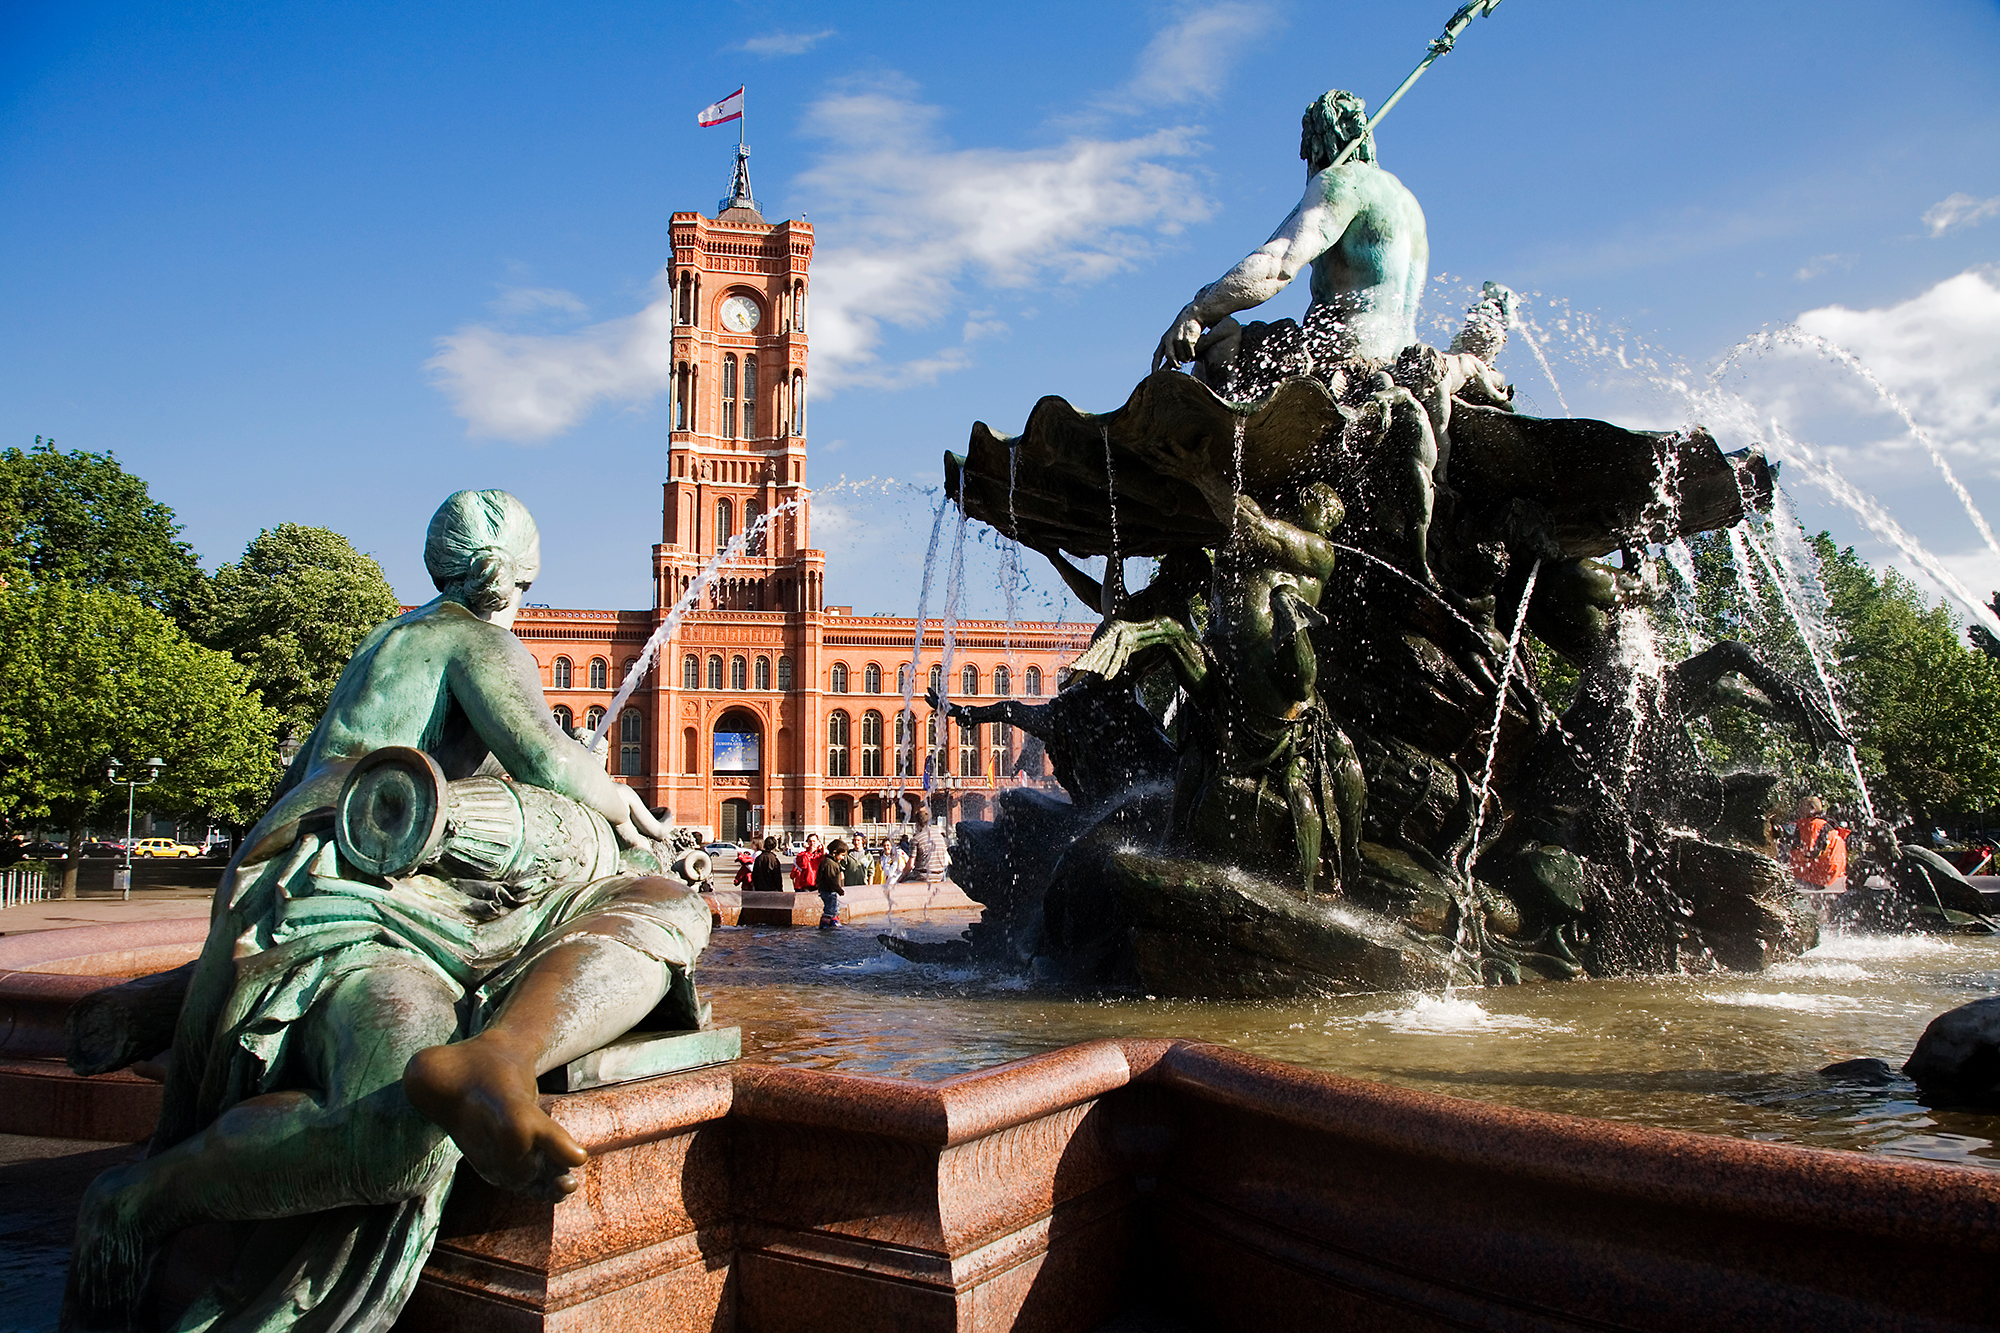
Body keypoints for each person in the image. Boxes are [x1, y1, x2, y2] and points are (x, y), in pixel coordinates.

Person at [66, 490, 712, 1331]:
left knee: (662, 908)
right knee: (396, 1128)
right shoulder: (468, 638)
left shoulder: (391, 643)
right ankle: (141, 1200)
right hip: (359, 895)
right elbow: (552, 758)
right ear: (514, 572)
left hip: (396, 885)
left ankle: (496, 1059)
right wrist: (630, 814)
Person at [1153, 89, 1429, 373]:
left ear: (1318, 143)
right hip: (1398, 360)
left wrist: (1199, 310)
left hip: (1343, 357)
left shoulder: (1341, 182)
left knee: (1220, 346)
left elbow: (1278, 265)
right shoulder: (1407, 203)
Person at [1788, 795, 1849, 904]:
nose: (1799, 809)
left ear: (1812, 808)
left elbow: (1809, 852)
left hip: (1818, 877)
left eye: (1802, 806)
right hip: (1831, 874)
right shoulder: (1824, 823)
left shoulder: (1813, 824)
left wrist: (1788, 857)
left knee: (1781, 882)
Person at [903, 807, 950, 886]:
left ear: (917, 824)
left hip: (923, 876)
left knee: (903, 883)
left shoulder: (916, 839)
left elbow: (910, 865)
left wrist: (900, 877)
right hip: (940, 875)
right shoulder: (939, 836)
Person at [817, 839, 850, 929]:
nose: (843, 858)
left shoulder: (831, 862)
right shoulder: (829, 863)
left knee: (834, 908)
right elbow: (831, 879)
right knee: (830, 909)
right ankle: (825, 926)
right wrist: (839, 890)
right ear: (834, 852)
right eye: (842, 855)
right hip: (828, 891)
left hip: (828, 891)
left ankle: (833, 922)